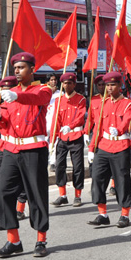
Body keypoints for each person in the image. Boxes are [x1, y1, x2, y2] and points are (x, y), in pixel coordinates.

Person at [0, 52, 52, 257]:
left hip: (33, 149)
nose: (17, 71)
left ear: (32, 70)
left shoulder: (42, 89)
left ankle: (41, 240)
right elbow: (5, 122)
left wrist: (18, 96)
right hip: (11, 150)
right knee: (3, 191)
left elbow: (38, 99)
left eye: (22, 67)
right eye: (15, 68)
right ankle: (13, 240)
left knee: (36, 194)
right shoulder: (10, 92)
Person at [87, 71, 131, 228]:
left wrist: (119, 129)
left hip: (120, 146)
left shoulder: (128, 103)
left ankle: (124, 214)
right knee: (97, 178)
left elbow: (127, 120)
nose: (109, 88)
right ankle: (102, 214)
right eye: (107, 85)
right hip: (104, 146)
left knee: (122, 181)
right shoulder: (103, 103)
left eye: (113, 84)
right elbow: (97, 128)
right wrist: (92, 148)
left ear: (120, 85)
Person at [0, 76, 27, 220]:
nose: (5, 92)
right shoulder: (0, 106)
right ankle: (2, 210)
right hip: (3, 147)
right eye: (3, 89)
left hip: (20, 147)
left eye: (9, 89)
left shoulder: (24, 105)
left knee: (20, 180)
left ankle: (19, 210)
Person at [50, 73, 86, 207]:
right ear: (62, 84)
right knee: (59, 166)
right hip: (62, 138)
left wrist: (70, 126)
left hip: (76, 137)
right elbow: (55, 120)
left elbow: (81, 117)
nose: (67, 85)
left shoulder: (81, 99)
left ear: (74, 84)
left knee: (78, 167)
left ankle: (78, 195)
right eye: (65, 83)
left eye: (70, 83)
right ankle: (62, 195)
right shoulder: (58, 101)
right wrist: (52, 140)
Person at [45, 73, 61, 172]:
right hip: (45, 122)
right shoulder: (44, 92)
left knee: (55, 143)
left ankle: (52, 162)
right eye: (51, 80)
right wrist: (50, 92)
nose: (54, 82)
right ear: (48, 82)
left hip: (55, 122)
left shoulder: (60, 93)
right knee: (44, 143)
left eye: (55, 80)